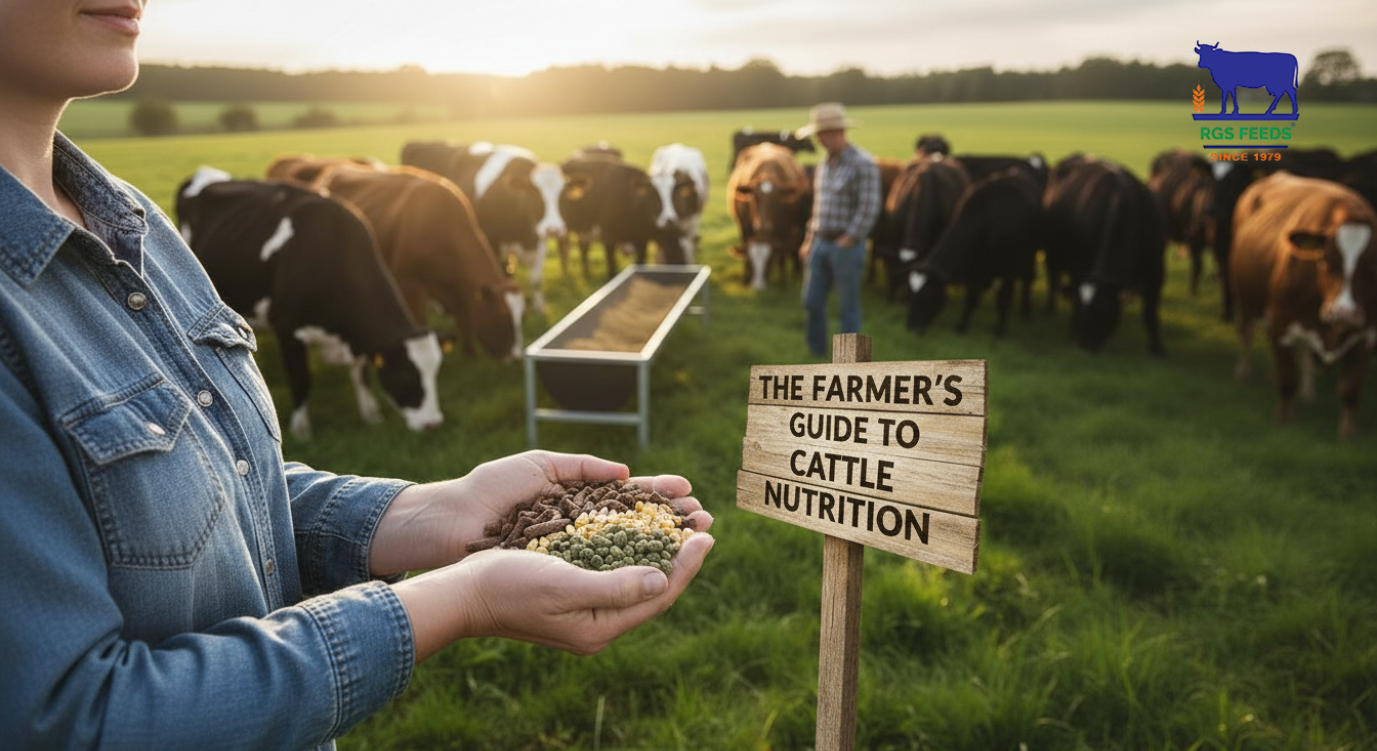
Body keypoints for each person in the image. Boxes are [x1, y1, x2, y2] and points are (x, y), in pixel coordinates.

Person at [0, 2, 714, 748]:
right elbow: (70, 721)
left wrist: (424, 512)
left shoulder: (132, 218)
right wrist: (457, 600)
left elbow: (215, 498)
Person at [795, 102, 883, 358]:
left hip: (846, 246)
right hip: (820, 242)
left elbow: (869, 206)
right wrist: (808, 239)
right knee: (811, 302)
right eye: (818, 134)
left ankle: (849, 361)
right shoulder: (823, 165)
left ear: (838, 132)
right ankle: (816, 352)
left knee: (848, 308)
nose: (821, 140)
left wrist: (850, 237)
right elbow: (818, 207)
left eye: (824, 134)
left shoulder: (863, 164)